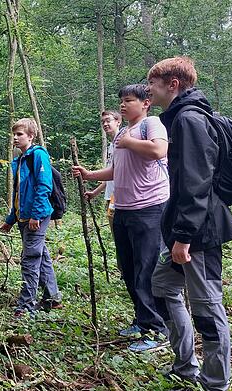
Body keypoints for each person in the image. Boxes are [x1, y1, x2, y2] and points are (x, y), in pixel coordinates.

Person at [146, 56, 232, 391]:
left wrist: (184, 236)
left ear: (173, 84)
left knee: (206, 307)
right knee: (162, 285)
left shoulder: (188, 120)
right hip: (186, 228)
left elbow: (196, 182)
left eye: (153, 82)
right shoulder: (182, 118)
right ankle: (185, 365)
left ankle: (214, 390)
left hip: (199, 231)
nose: (148, 88)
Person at [72, 84, 170, 352]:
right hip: (124, 208)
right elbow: (118, 169)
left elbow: (159, 151)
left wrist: (129, 142)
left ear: (146, 103)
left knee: (146, 269)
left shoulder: (152, 124)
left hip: (149, 208)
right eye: (122, 101)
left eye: (129, 101)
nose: (124, 105)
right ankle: (142, 319)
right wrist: (91, 175)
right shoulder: (123, 132)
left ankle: (157, 330)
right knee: (128, 267)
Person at [0, 118, 61, 316]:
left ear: (31, 136)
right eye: (14, 134)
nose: (15, 138)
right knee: (41, 256)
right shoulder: (19, 160)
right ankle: (52, 298)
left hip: (37, 216)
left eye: (20, 134)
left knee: (30, 259)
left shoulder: (38, 156)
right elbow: (19, 193)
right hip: (24, 217)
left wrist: (36, 215)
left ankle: (26, 305)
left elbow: (44, 186)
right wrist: (11, 219)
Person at [84, 110, 123, 229]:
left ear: (118, 122)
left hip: (120, 198)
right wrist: (95, 192)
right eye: (103, 122)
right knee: (116, 235)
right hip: (110, 198)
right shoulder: (111, 146)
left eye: (108, 120)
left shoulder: (123, 143)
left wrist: (89, 175)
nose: (105, 124)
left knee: (121, 235)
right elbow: (110, 175)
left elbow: (118, 173)